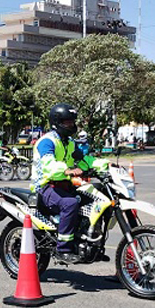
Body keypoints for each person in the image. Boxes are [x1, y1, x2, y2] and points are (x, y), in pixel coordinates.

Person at [32, 103, 98, 263]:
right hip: (45, 187)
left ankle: (87, 240)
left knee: (94, 197)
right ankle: (63, 249)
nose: (71, 125)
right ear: (57, 123)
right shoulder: (47, 142)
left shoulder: (69, 142)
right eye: (67, 122)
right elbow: (49, 165)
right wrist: (68, 170)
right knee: (70, 204)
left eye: (72, 121)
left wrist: (105, 166)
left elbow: (84, 160)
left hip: (64, 185)